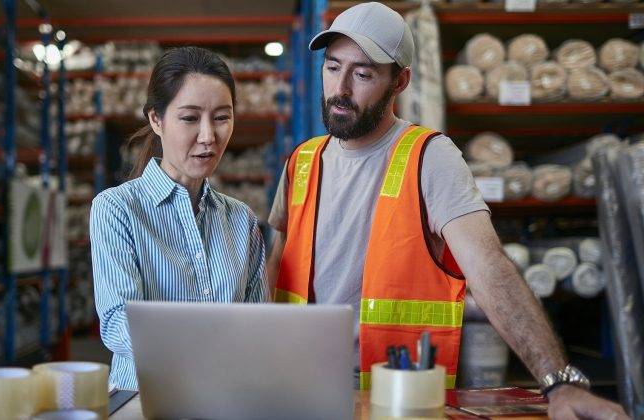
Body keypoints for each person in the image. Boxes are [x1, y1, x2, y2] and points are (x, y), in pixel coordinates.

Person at [266, 3, 628, 419]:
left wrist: (558, 381)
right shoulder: (303, 160)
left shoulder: (429, 157)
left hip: (396, 392)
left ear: (399, 81)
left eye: (362, 74)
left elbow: (489, 268)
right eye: (332, 68)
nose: (341, 88)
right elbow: (276, 268)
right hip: (299, 383)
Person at [91, 46, 268, 391]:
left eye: (221, 117)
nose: (208, 137)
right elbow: (117, 325)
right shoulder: (116, 209)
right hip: (142, 402)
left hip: (225, 401)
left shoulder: (241, 220)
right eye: (190, 118)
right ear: (156, 120)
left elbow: (257, 325)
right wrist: (215, 343)